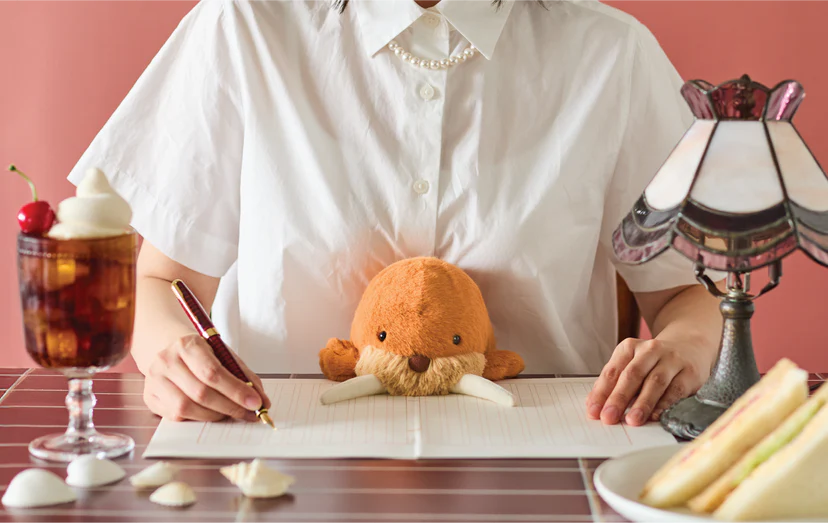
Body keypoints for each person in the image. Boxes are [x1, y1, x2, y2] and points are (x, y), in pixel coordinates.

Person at [69, 0, 723, 428]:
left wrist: (683, 350)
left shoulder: (613, 53)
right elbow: (161, 284)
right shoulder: (243, 27)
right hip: (274, 449)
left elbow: (687, 292)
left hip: (552, 451)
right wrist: (171, 359)